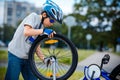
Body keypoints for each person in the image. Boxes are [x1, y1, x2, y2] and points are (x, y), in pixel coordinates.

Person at [5, 0, 63, 80]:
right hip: (16, 55)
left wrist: (44, 59)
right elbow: (27, 32)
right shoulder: (33, 17)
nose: (52, 23)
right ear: (44, 14)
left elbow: (36, 45)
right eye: (52, 20)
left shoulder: (42, 27)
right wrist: (43, 31)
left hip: (28, 58)